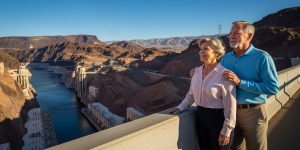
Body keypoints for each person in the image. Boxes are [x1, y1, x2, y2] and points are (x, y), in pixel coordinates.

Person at [167, 37, 236, 150]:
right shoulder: (196, 72)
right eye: (201, 49)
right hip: (200, 117)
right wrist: (180, 108)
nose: (201, 52)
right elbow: (191, 95)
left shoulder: (225, 74)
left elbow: (231, 106)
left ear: (216, 52)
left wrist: (227, 130)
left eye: (206, 49)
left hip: (219, 119)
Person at [220, 21, 279, 150]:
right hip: (230, 113)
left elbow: (272, 87)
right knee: (235, 148)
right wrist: (199, 72)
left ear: (249, 35)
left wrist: (240, 82)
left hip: (253, 113)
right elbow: (216, 79)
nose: (231, 36)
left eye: (236, 33)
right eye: (230, 33)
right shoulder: (226, 58)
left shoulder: (262, 57)